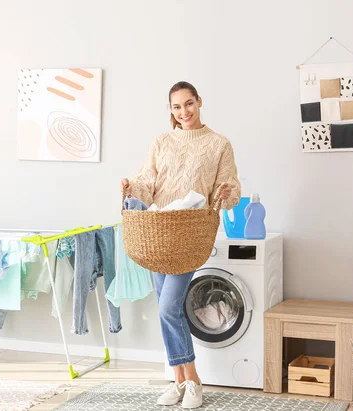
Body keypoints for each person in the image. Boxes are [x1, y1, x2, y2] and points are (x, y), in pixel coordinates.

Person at [121, 81, 241, 409]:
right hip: (158, 232)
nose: (184, 112)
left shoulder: (218, 144)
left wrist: (227, 193)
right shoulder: (161, 142)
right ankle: (179, 382)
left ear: (199, 102)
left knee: (167, 309)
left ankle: (194, 382)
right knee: (166, 309)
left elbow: (229, 187)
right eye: (176, 107)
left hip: (189, 235)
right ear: (170, 110)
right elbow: (148, 183)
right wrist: (132, 189)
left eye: (189, 104)